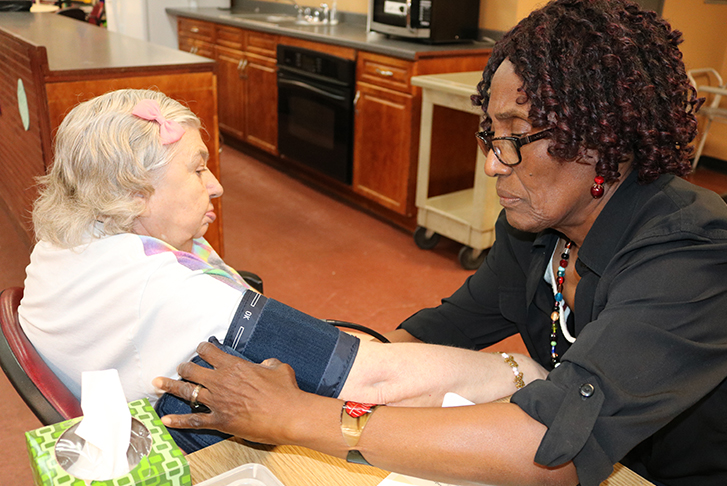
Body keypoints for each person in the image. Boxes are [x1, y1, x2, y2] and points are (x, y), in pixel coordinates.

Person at [153, 1, 727, 486]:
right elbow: (436, 331)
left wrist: (299, 417)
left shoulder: (692, 254)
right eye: (489, 133)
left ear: (599, 133)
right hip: (620, 466)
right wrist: (329, 368)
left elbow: (545, 452)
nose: (492, 161)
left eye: (515, 135)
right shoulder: (540, 229)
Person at [18, 88, 544, 451]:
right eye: (197, 168)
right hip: (193, 460)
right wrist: (522, 372)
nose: (216, 185)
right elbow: (375, 380)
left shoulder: (64, 241)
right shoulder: (173, 294)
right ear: (133, 193)